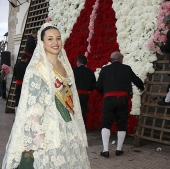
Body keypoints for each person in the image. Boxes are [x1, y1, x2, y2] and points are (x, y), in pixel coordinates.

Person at [2, 22, 90, 169]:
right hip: (46, 127)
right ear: (42, 43)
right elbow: (33, 104)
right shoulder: (37, 68)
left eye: (58, 38)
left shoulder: (65, 65)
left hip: (67, 125)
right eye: (50, 39)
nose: (55, 42)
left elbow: (70, 98)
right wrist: (38, 135)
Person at [96, 51, 145, 158]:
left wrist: (105, 93)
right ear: (120, 58)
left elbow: (98, 85)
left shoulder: (105, 69)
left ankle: (105, 151)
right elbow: (136, 80)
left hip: (108, 98)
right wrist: (142, 87)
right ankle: (119, 150)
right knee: (121, 123)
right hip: (122, 99)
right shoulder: (126, 68)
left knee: (106, 123)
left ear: (111, 59)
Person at [73, 55, 96, 126]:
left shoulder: (73, 70)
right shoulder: (90, 72)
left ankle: (75, 127)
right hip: (85, 94)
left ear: (78, 62)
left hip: (75, 93)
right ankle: (83, 126)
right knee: (83, 110)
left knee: (75, 110)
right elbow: (93, 85)